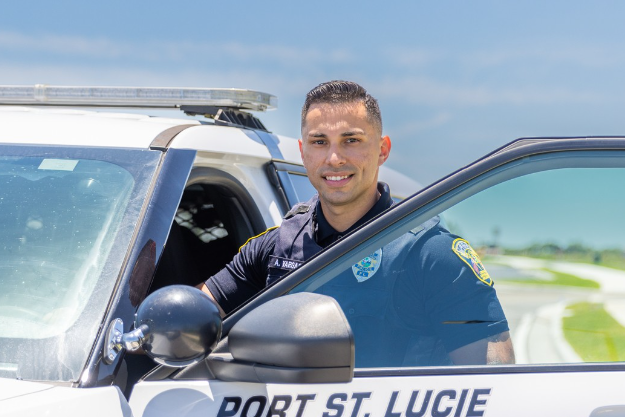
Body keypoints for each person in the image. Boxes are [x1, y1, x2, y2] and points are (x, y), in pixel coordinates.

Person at [201, 80, 513, 367]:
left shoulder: (432, 254)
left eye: (351, 140)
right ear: (303, 152)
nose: (334, 158)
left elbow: (494, 380)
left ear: (382, 149)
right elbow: (192, 314)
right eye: (319, 142)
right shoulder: (275, 247)